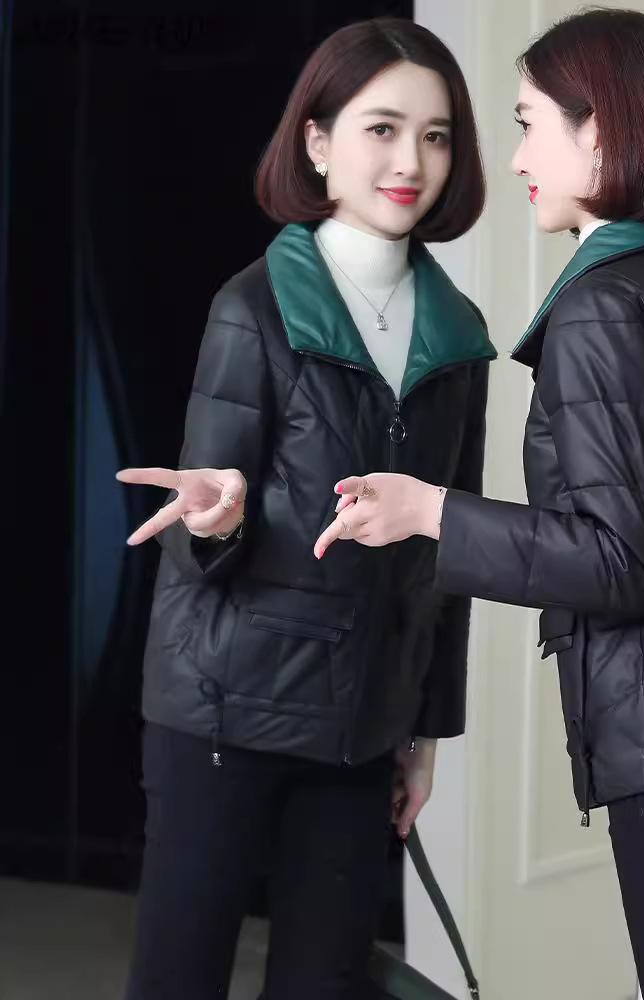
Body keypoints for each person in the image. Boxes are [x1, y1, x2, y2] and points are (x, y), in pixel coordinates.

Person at [314, 10, 644, 999]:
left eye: (530, 124)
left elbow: (617, 562)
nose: (518, 156)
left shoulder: (602, 307)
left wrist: (431, 511)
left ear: (598, 128)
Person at [115, 18, 493, 999]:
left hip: (362, 726)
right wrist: (220, 519)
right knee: (178, 979)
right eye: (382, 129)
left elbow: (447, 547)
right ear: (318, 142)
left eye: (436, 135)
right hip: (222, 711)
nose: (411, 162)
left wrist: (425, 732)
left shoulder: (460, 335)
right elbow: (203, 524)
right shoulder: (253, 307)